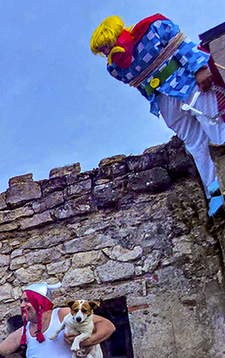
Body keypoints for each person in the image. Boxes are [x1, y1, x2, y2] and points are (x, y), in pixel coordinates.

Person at [90, 15, 225, 216]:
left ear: (116, 35)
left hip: (188, 83)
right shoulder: (115, 68)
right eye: (101, 50)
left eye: (106, 45)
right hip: (164, 101)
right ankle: (213, 190)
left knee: (213, 124)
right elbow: (140, 84)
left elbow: (183, 45)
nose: (105, 52)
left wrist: (200, 68)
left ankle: (224, 178)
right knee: (194, 143)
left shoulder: (153, 27)